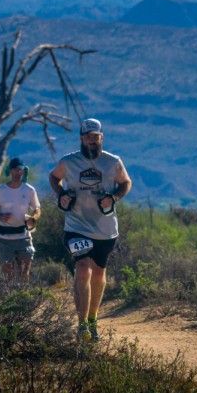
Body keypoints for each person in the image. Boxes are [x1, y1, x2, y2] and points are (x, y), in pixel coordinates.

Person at [50, 118, 132, 343]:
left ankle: (93, 319)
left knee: (98, 273)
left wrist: (113, 197)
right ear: (81, 139)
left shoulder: (112, 162)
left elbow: (126, 183)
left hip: (105, 229)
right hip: (76, 226)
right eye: (88, 137)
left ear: (101, 138)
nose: (92, 141)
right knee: (83, 268)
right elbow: (54, 177)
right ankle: (82, 324)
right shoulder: (68, 161)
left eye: (95, 137)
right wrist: (61, 195)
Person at [0, 157, 41, 285]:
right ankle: (9, 300)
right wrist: (0, 216)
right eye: (15, 170)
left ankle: (23, 300)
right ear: (10, 171)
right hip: (4, 238)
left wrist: (33, 218)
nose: (18, 173)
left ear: (23, 172)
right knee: (8, 275)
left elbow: (37, 209)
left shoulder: (29, 190)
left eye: (20, 170)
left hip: (23, 236)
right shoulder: (0, 190)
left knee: (24, 272)